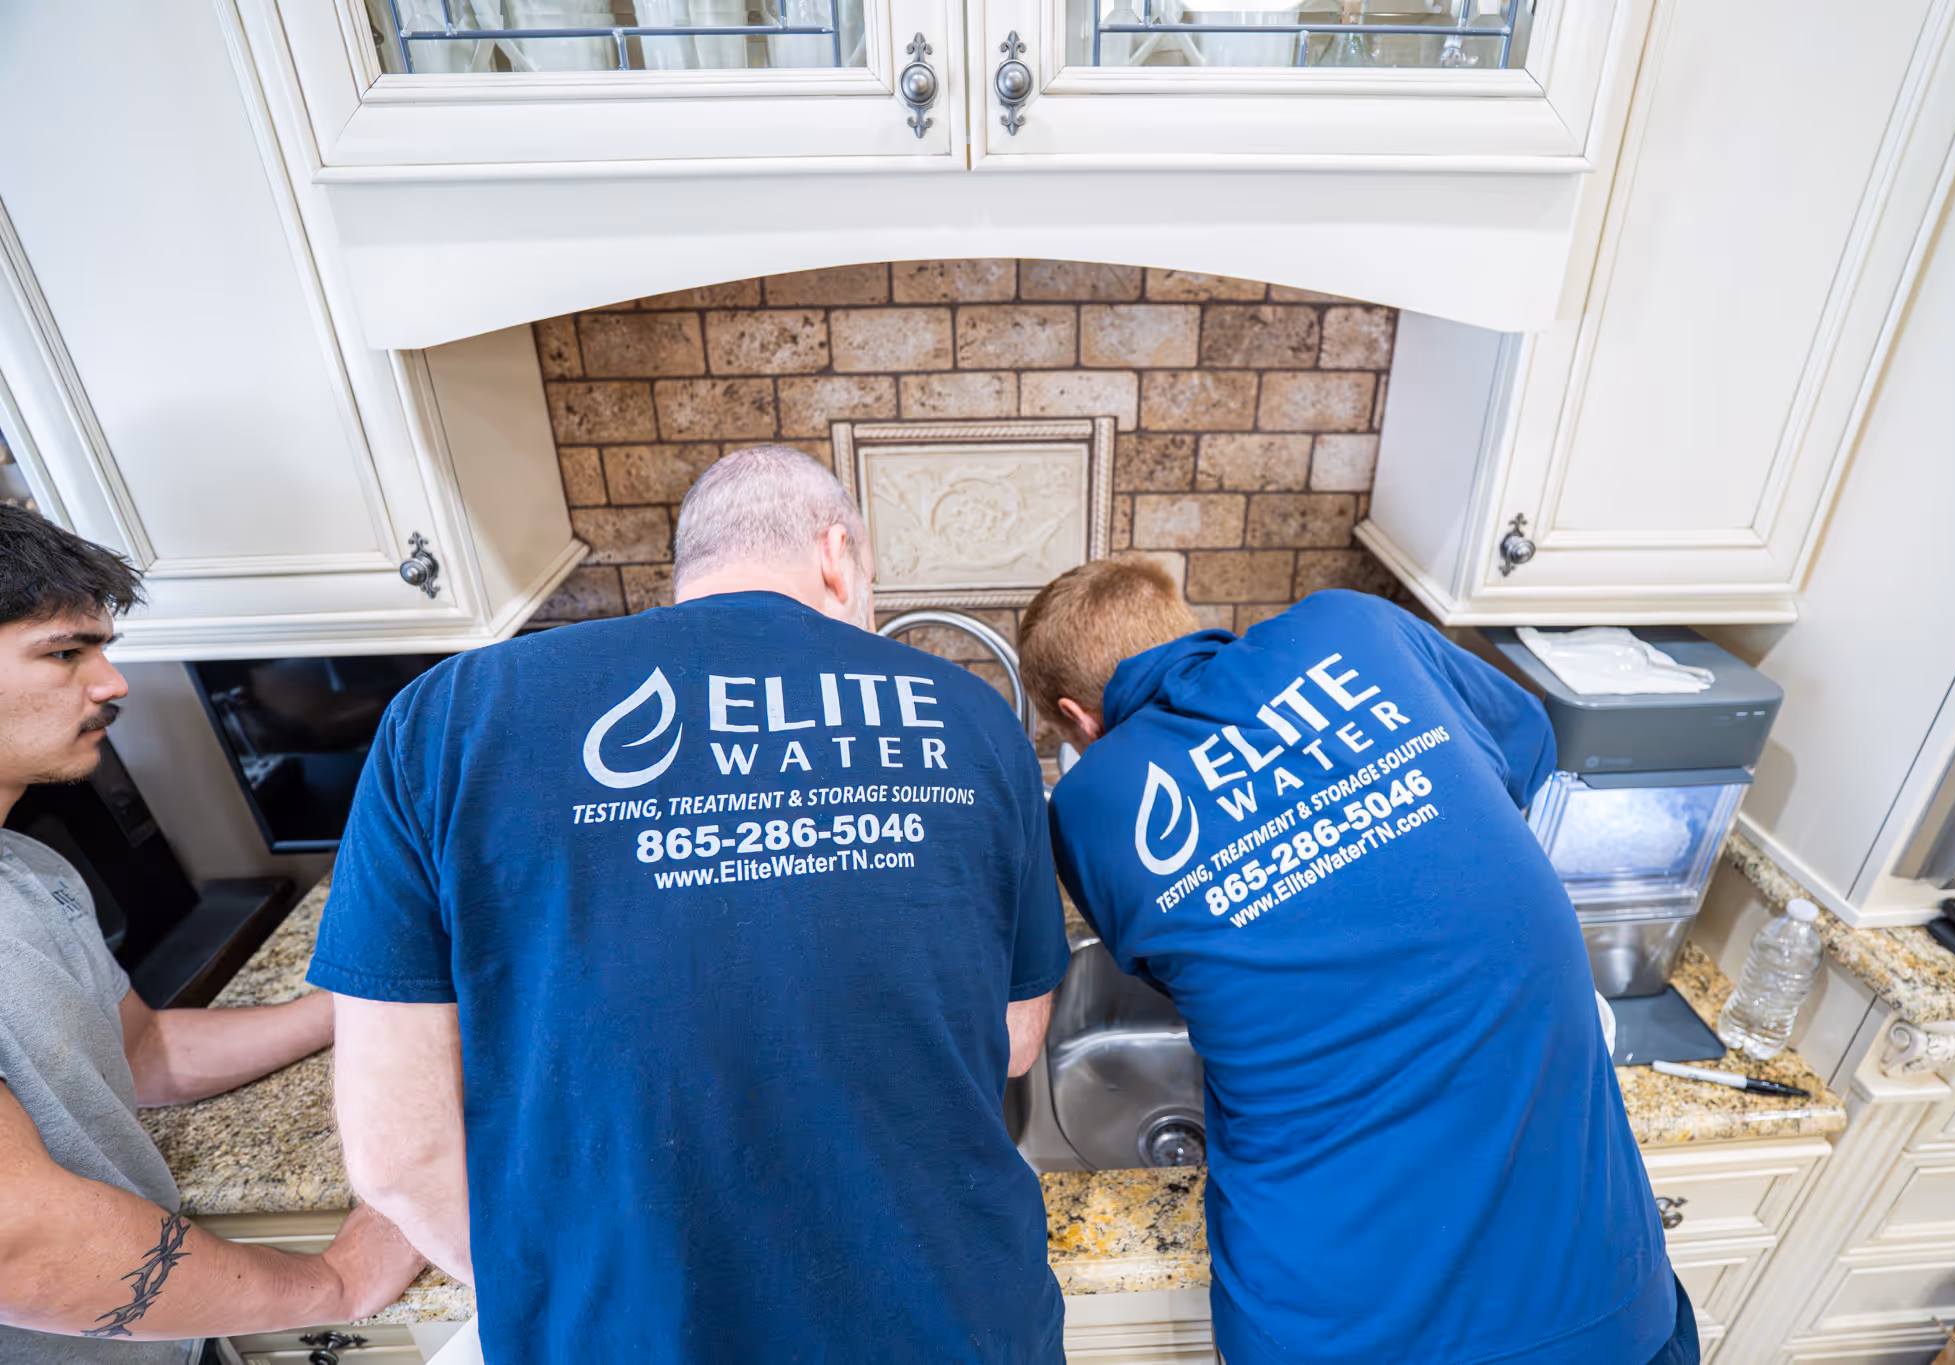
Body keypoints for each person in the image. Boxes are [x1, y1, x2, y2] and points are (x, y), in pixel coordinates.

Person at [315, 444, 1071, 1364]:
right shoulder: (970, 711)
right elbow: (1019, 1037)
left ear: (690, 573)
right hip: (954, 1319)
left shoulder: (450, 712)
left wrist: (579, 1300)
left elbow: (396, 1154)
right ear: (839, 558)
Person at [1020, 559, 1698, 1365]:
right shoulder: (1358, 628)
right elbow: (1527, 746)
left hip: (1337, 1327)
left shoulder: (1092, 805)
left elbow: (1165, 963)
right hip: (1600, 1308)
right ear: (1181, 620)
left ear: (1079, 718)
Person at [0, 504, 425, 1363]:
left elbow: (146, 1052)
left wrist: (366, 1003)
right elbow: (21, 1238)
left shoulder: (27, 870)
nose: (113, 682)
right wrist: (331, 1286)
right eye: (65, 652)